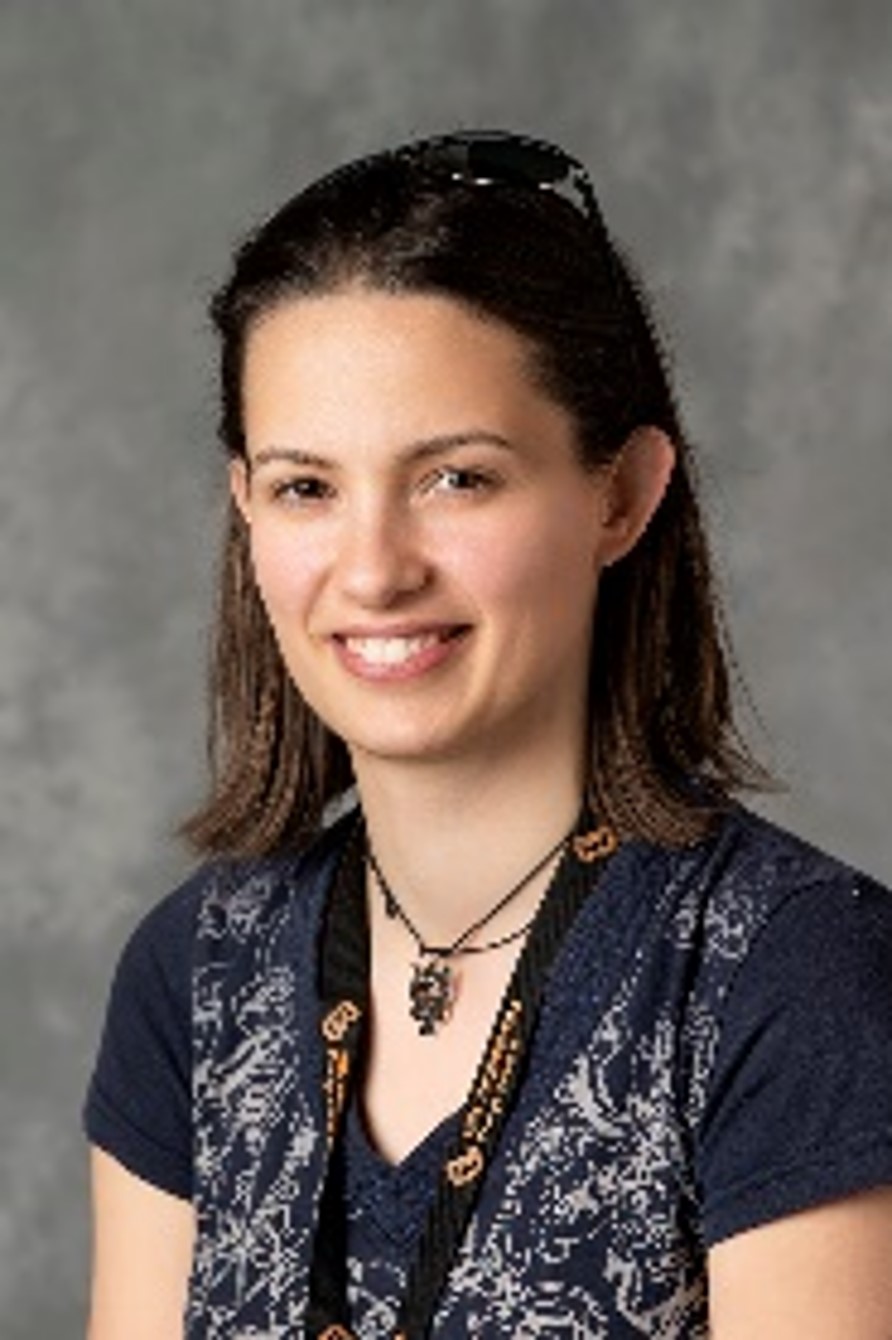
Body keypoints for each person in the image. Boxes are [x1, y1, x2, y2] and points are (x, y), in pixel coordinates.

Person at [83, 130, 892, 1340]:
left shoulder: (794, 980)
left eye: (456, 477)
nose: (373, 569)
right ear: (245, 505)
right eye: (308, 486)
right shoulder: (193, 973)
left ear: (618, 494)